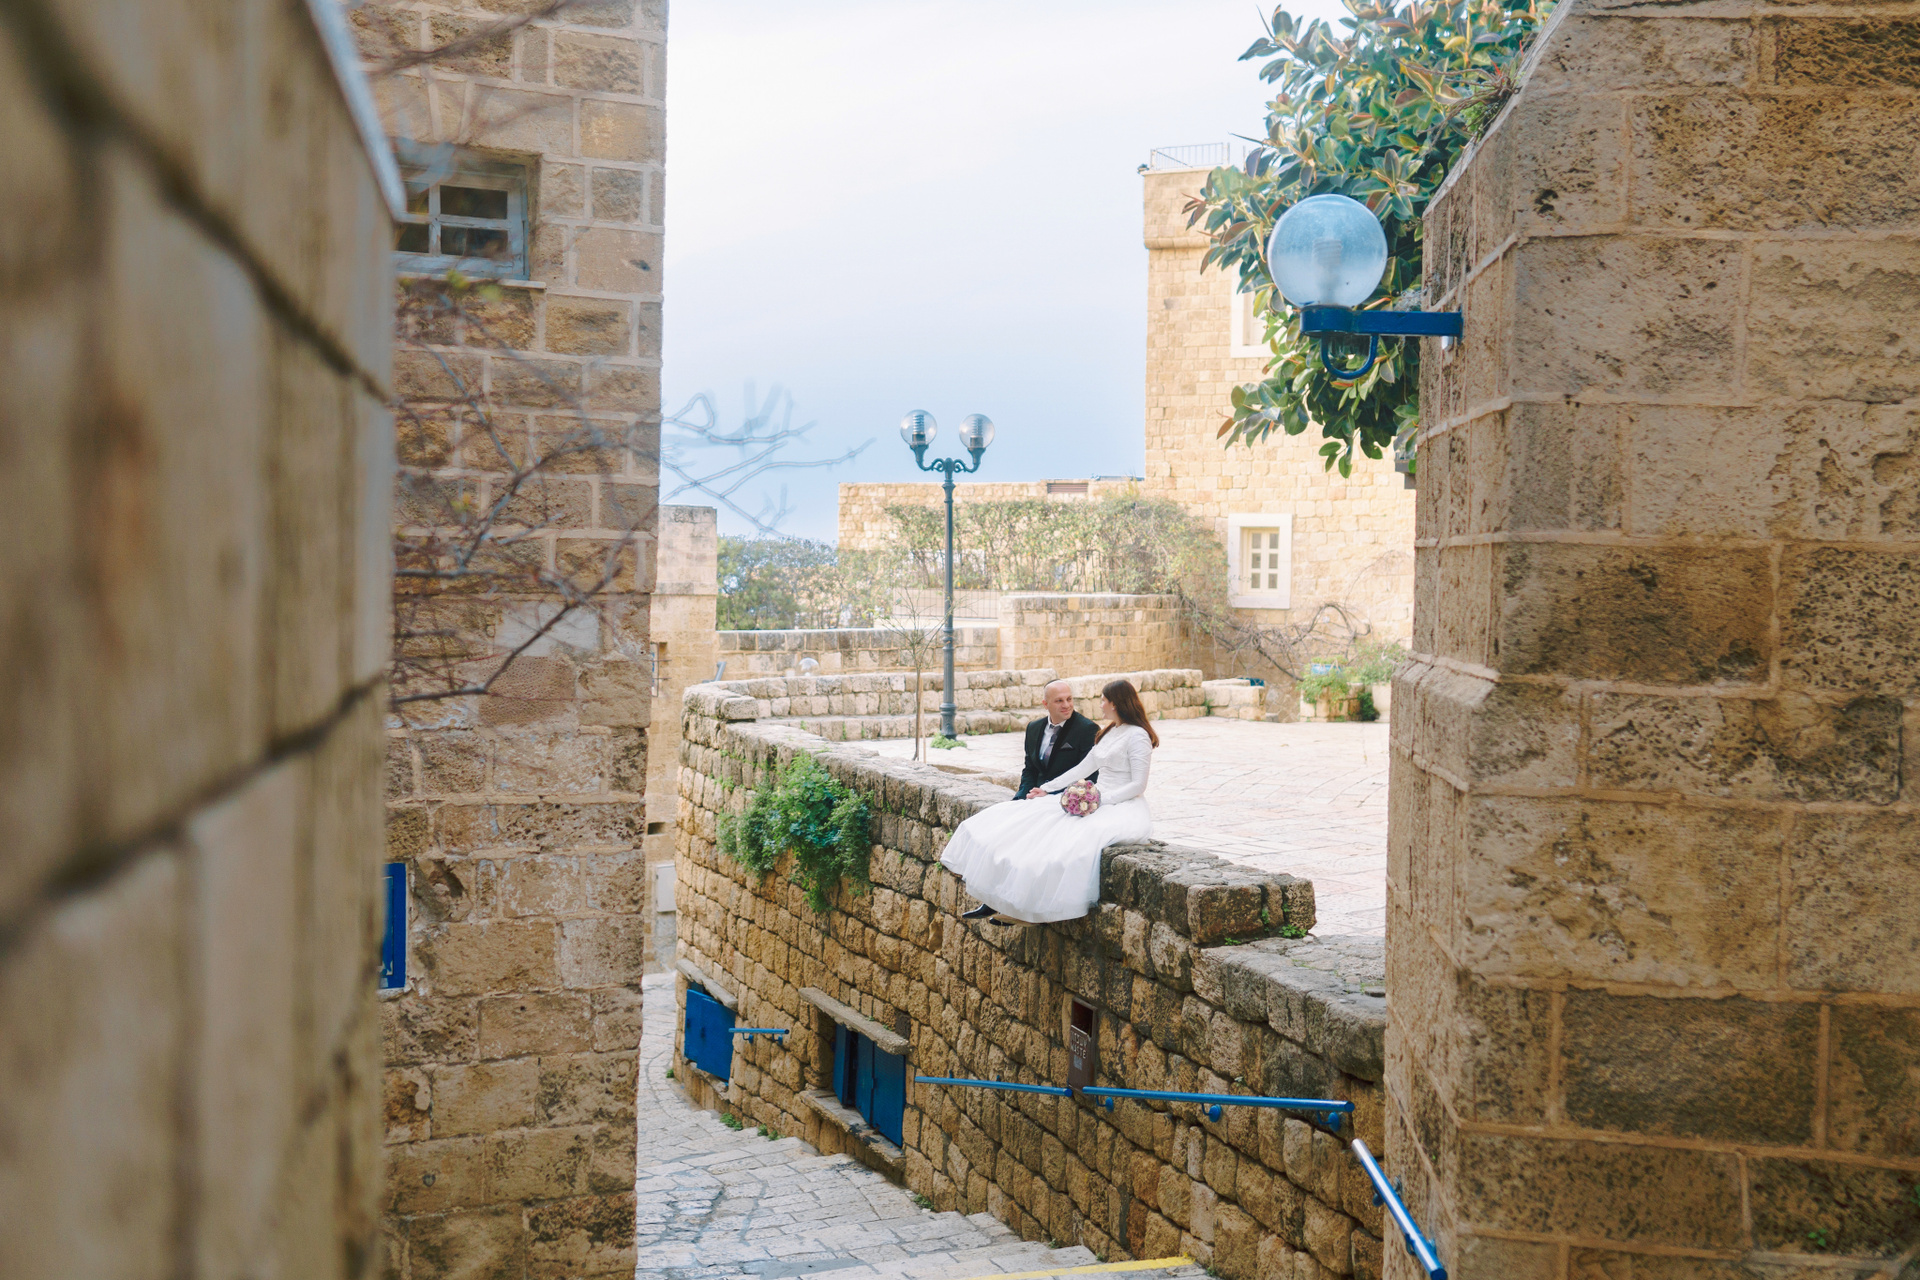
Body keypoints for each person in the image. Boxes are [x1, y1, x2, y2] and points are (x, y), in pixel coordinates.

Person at [942, 679, 1158, 925]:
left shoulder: (1137, 736)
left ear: (1115, 703)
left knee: (1065, 843)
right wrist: (1047, 788)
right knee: (1027, 822)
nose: (1100, 705)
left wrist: (1100, 799)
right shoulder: (1111, 731)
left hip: (1120, 805)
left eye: (1103, 700)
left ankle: (1033, 909)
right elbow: (1082, 768)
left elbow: (1138, 785)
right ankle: (1007, 901)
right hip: (1094, 798)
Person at [1016, 679, 1098, 800]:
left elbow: (1089, 776)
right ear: (1045, 704)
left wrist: (1048, 793)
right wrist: (1021, 797)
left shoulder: (1087, 729)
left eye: (1069, 699)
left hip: (1065, 798)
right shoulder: (1033, 728)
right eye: (1059, 701)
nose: (1066, 705)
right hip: (1035, 796)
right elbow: (1030, 770)